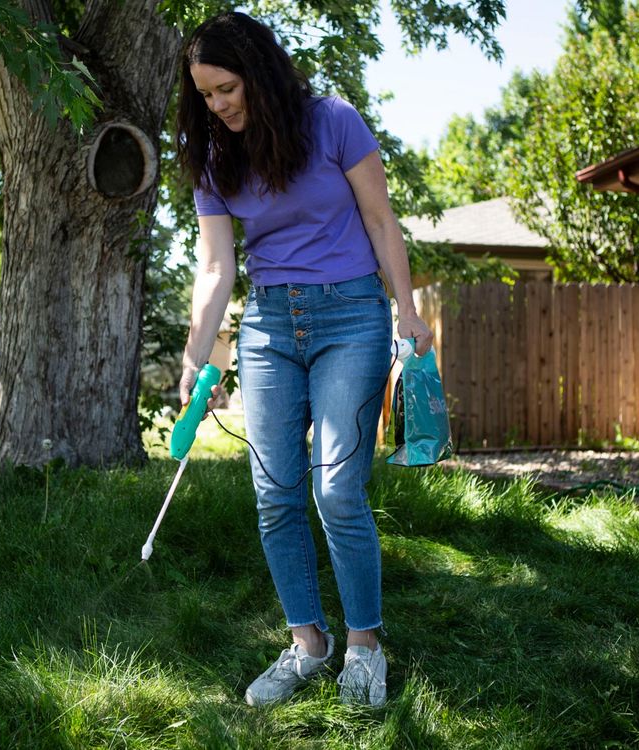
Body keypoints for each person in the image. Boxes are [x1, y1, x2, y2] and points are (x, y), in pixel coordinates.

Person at [175, 11, 432, 708]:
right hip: (267, 328)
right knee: (274, 495)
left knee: (337, 490)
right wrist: (197, 354)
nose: (218, 105)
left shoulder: (334, 121)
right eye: (205, 95)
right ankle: (308, 644)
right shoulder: (214, 158)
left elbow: (381, 221)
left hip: (350, 315)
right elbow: (215, 266)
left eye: (226, 88)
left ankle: (364, 648)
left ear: (257, 72)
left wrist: (408, 311)